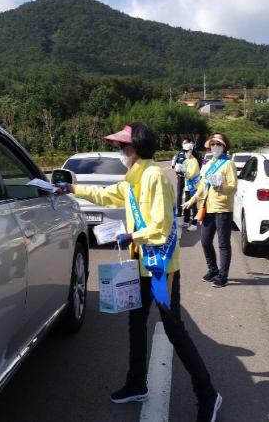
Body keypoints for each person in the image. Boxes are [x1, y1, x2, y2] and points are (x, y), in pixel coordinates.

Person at [59, 123, 222, 422]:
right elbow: (108, 195)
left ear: (135, 149)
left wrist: (130, 236)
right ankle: (136, 384)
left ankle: (208, 394)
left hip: (160, 269)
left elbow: (161, 227)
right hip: (139, 263)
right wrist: (72, 189)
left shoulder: (154, 176)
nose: (121, 152)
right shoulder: (133, 177)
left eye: (123, 147)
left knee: (174, 330)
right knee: (136, 323)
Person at [183, 133, 237, 288]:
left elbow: (233, 187)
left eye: (218, 144)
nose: (215, 147)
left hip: (223, 208)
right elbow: (202, 186)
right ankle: (213, 269)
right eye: (213, 144)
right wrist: (192, 200)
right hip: (208, 207)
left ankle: (223, 276)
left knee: (223, 244)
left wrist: (221, 188)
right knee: (205, 241)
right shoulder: (208, 164)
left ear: (224, 146)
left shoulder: (228, 164)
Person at [171, 138, 202, 223]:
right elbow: (174, 164)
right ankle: (183, 216)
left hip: (190, 180)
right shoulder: (180, 154)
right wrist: (178, 170)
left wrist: (182, 172)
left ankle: (192, 220)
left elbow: (198, 167)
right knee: (183, 197)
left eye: (186, 143)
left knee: (191, 199)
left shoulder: (194, 156)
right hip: (184, 179)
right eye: (183, 143)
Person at [181, 141, 201, 231]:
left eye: (186, 151)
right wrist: (180, 170)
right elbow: (183, 171)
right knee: (186, 204)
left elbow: (191, 175)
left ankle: (194, 223)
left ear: (190, 151)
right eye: (184, 151)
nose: (185, 153)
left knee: (193, 205)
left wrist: (183, 173)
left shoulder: (194, 161)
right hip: (187, 187)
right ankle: (186, 221)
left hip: (194, 187)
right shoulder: (185, 161)